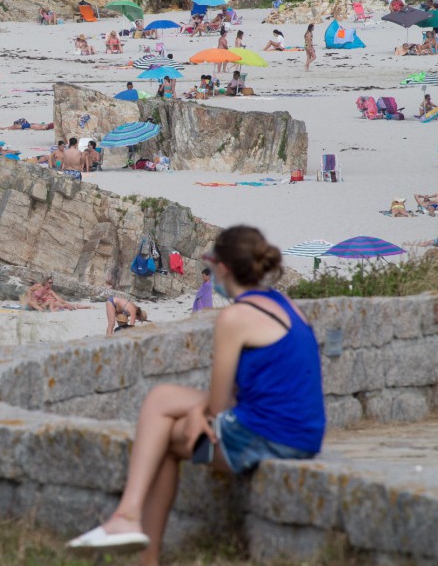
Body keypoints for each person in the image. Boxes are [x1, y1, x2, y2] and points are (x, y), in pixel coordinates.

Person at [68, 226, 325, 560]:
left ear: (222, 268)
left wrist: (197, 414)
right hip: (303, 429)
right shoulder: (284, 303)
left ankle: (130, 523)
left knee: (163, 438)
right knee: (162, 399)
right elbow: (243, 389)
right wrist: (195, 412)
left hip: (274, 434)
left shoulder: (235, 317)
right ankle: (128, 523)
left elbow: (218, 406)